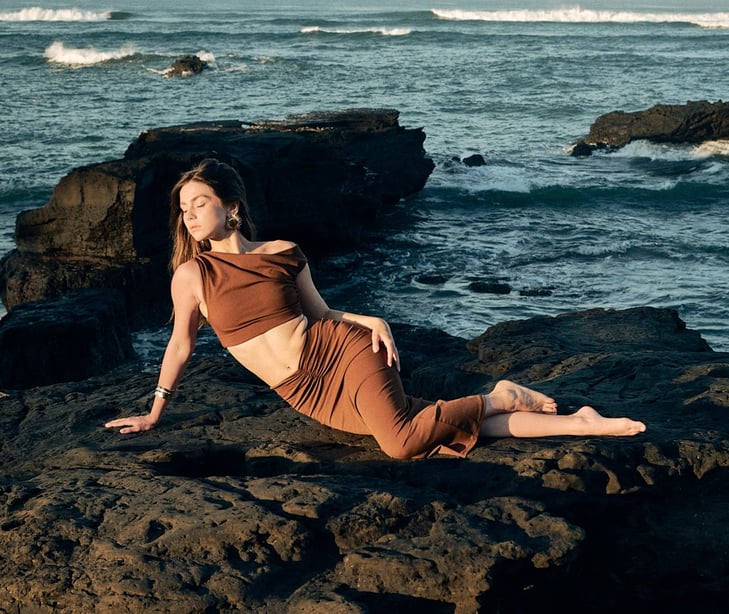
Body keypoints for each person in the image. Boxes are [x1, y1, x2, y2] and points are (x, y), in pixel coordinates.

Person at [105, 159, 646, 459]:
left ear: (232, 206)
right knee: (429, 429)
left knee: (402, 443)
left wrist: (368, 321)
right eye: (184, 208)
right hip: (304, 390)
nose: (190, 214)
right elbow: (181, 343)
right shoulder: (192, 274)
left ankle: (496, 394)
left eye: (200, 203)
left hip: (342, 352)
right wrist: (156, 411)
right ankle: (580, 423)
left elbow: (319, 312)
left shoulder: (283, 253)